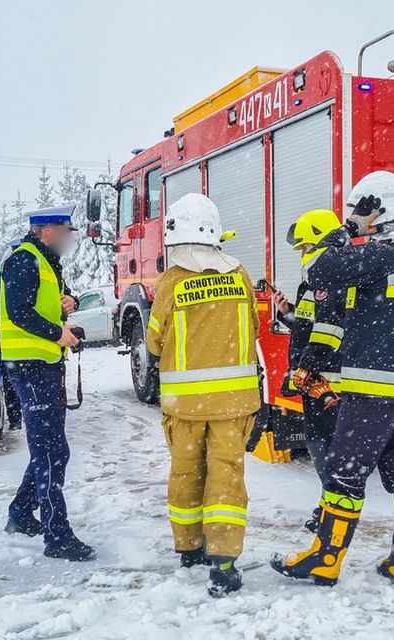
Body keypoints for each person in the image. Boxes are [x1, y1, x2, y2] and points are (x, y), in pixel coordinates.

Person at [270, 171, 394, 589]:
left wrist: (340, 235)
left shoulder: (381, 255)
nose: (351, 216)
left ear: (373, 210)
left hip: (371, 388)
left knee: (344, 474)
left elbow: (322, 272)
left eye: (355, 210)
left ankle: (325, 558)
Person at [146, 193, 260, 597]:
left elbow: (154, 341)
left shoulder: (172, 281)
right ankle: (224, 563)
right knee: (227, 477)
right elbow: (255, 329)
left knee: (185, 473)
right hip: (234, 402)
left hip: (185, 405)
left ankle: (190, 547)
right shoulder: (239, 274)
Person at [0, 206, 94, 562]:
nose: (69, 237)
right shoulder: (24, 260)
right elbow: (19, 312)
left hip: (45, 366)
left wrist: (70, 301)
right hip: (31, 367)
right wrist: (58, 334)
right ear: (48, 230)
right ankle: (57, 536)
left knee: (53, 451)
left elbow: (54, 302)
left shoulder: (45, 261)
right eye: (65, 230)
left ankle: (21, 512)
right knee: (51, 453)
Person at [273, 209, 346, 533]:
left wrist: (302, 370)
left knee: (325, 448)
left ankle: (333, 512)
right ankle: (328, 506)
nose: (302, 254)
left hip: (327, 383)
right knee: (321, 447)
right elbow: (307, 329)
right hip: (314, 381)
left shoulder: (330, 284)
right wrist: (287, 313)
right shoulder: (312, 286)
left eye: (304, 247)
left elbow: (329, 334)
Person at [0, 241, 23, 430]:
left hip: (8, 341)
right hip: (41, 342)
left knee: (12, 383)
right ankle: (28, 416)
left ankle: (16, 420)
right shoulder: (41, 273)